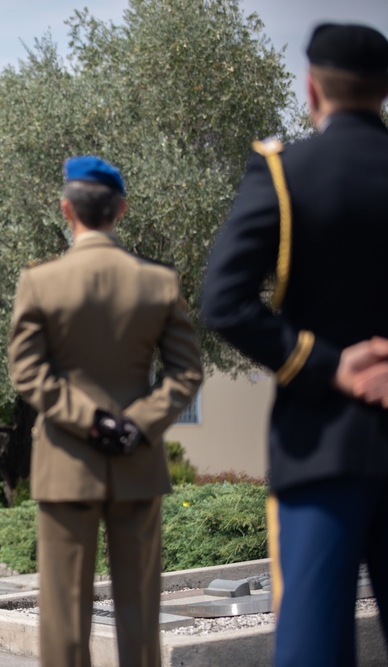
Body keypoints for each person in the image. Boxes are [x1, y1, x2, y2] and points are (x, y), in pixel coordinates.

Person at [201, 23, 388, 667]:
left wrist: (332, 366)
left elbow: (223, 301)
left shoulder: (286, 171)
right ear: (385, 92)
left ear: (313, 89)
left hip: (318, 451)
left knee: (313, 650)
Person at [8, 156, 203, 667]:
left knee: (64, 619)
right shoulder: (158, 282)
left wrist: (90, 420)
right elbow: (186, 373)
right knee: (140, 616)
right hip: (137, 462)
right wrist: (137, 422)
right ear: (121, 210)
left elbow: (27, 372)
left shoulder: (41, 282)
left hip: (66, 462)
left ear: (66, 209)